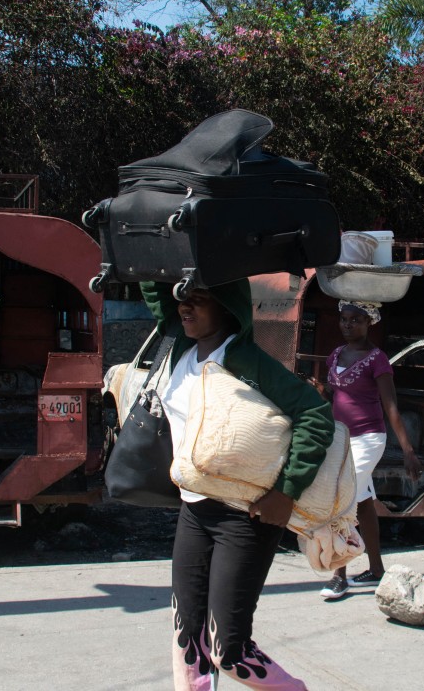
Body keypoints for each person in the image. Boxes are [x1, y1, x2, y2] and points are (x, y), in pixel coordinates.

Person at [142, 279, 335, 691]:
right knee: (187, 640)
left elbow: (316, 416)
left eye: (198, 298)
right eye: (182, 298)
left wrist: (286, 491)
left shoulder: (242, 357)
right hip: (194, 510)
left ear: (227, 306)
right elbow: (158, 292)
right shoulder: (181, 347)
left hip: (243, 517)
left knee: (228, 650)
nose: (184, 307)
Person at [318, 300, 422, 601]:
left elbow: (391, 407)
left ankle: (339, 575)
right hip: (341, 438)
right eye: (344, 319)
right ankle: (376, 569)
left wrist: (408, 450)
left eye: (355, 320)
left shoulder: (378, 360)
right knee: (363, 503)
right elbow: (335, 396)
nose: (348, 325)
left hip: (368, 439)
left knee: (341, 499)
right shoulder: (336, 355)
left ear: (369, 322)